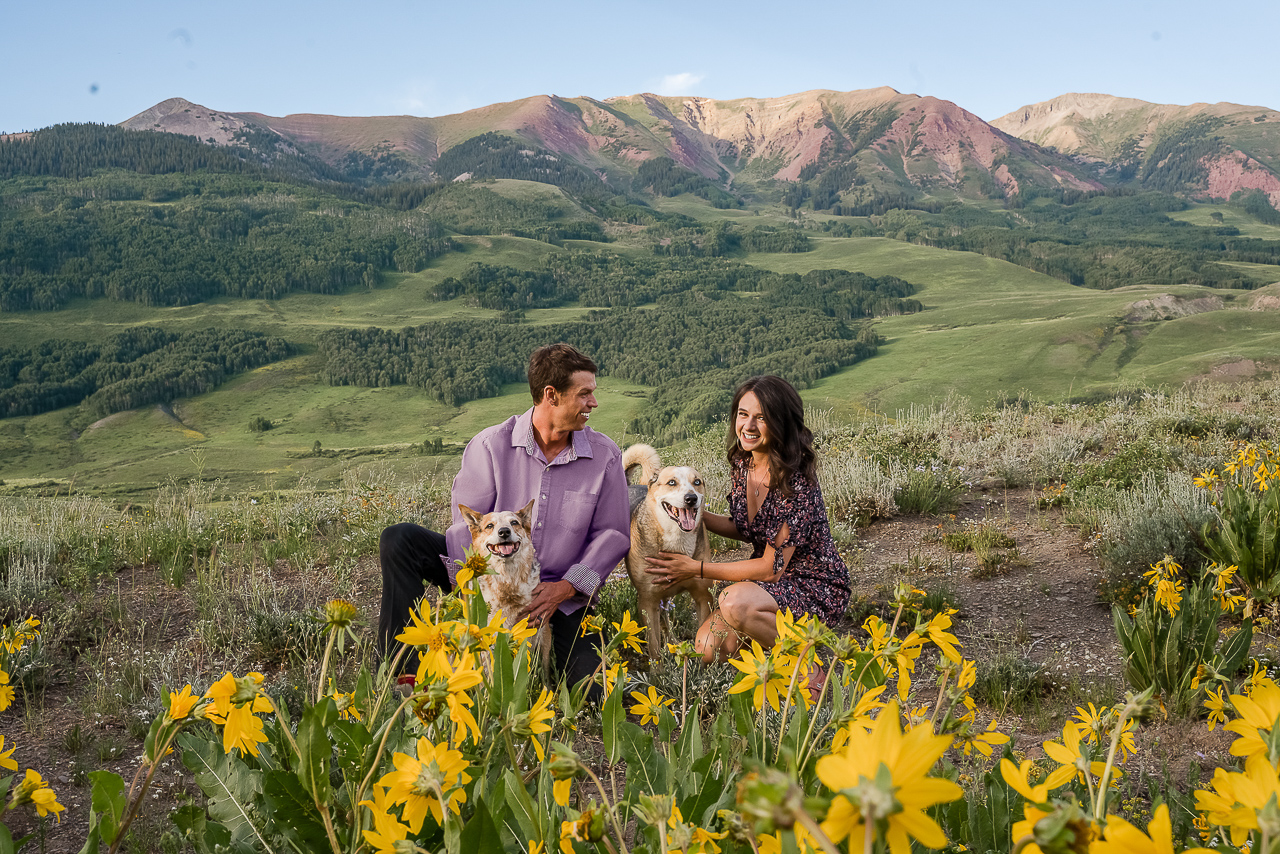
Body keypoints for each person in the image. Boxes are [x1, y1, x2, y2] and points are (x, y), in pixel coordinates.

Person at [377, 343, 630, 695]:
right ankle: (402, 676)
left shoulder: (604, 455)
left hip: (557, 592)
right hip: (488, 582)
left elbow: (613, 534)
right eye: (585, 394)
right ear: (550, 395)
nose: (594, 403)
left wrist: (566, 587)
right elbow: (466, 529)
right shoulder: (489, 446)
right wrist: (478, 597)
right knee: (399, 540)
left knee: (588, 691)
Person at [644, 375, 850, 664]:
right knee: (705, 648)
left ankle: (805, 663)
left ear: (781, 423)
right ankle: (771, 641)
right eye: (743, 415)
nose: (748, 426)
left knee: (734, 602)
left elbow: (770, 569)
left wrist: (696, 568)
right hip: (766, 587)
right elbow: (744, 527)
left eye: (761, 418)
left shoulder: (796, 484)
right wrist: (687, 514)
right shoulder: (744, 462)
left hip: (811, 586)